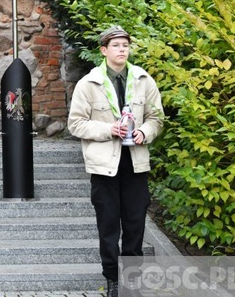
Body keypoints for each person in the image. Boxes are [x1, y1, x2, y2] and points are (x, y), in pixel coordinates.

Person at [67, 25, 164, 297]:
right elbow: (75, 124)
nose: (122, 50)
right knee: (108, 225)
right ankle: (113, 279)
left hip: (135, 162)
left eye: (125, 45)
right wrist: (108, 129)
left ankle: (132, 280)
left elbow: (157, 118)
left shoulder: (144, 80)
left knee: (135, 224)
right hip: (104, 166)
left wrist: (145, 131)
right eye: (116, 45)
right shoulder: (88, 83)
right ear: (104, 50)